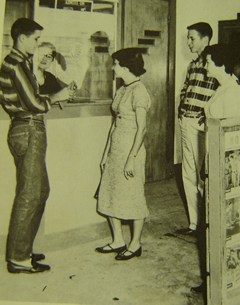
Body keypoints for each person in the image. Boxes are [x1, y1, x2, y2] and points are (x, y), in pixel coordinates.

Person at [0, 18, 73, 273]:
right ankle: (18, 258)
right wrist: (56, 97)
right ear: (22, 37)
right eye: (36, 39)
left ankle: (24, 250)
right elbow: (33, 103)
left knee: (40, 191)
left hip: (27, 128)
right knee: (31, 194)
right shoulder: (17, 63)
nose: (38, 43)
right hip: (28, 128)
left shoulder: (15, 62)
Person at [191, 43, 240, 294]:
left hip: (222, 161)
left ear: (221, 64)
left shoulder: (233, 92)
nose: (205, 66)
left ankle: (220, 278)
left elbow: (230, 130)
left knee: (217, 221)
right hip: (211, 155)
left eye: (209, 62)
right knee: (209, 221)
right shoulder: (222, 89)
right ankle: (211, 277)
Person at [95, 48, 151, 260]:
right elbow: (114, 124)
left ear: (126, 67)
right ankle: (118, 240)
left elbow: (142, 129)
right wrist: (105, 154)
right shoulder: (122, 89)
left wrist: (131, 158)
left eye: (116, 64)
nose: (113, 68)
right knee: (110, 192)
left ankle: (135, 244)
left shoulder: (140, 92)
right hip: (116, 148)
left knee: (133, 195)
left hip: (131, 149)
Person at [177, 22, 219, 236]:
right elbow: (185, 89)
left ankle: (208, 223)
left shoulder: (216, 63)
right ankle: (195, 224)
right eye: (188, 38)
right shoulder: (193, 64)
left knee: (205, 175)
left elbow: (219, 95)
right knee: (188, 173)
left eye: (192, 38)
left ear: (206, 39)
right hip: (187, 121)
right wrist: (181, 112)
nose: (189, 42)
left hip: (204, 125)